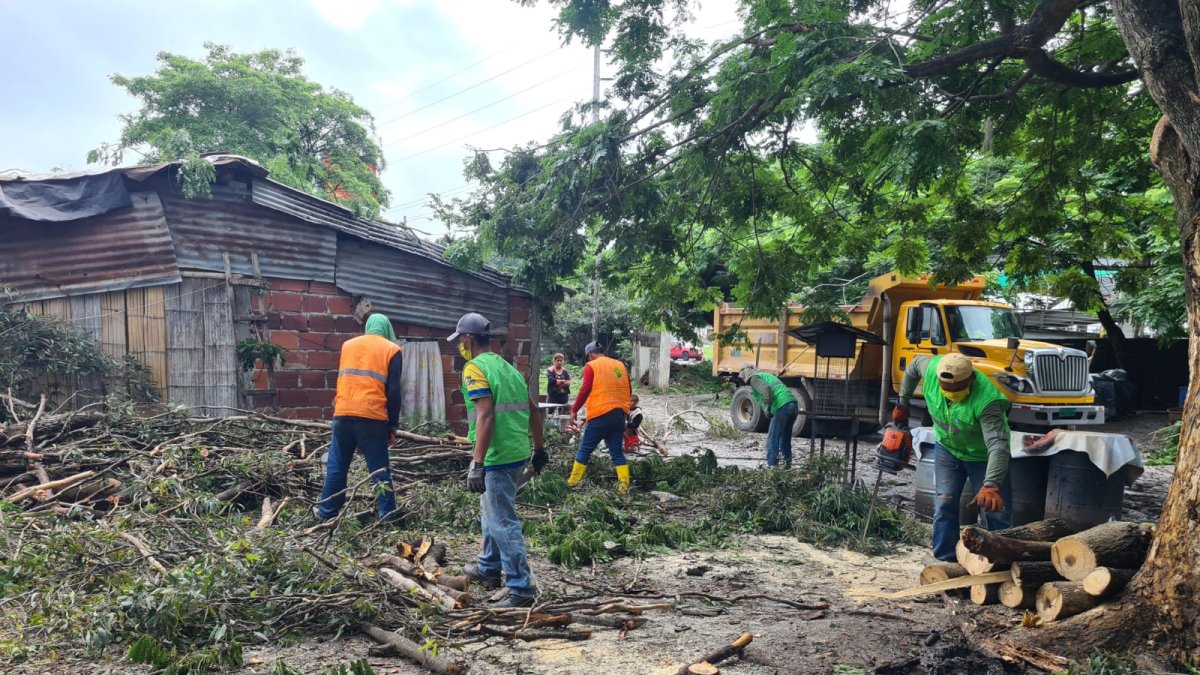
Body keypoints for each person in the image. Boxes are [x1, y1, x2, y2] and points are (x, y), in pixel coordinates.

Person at [449, 312, 548, 608]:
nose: (459, 346)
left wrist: (477, 462)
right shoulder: (508, 367)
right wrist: (539, 448)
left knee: (502, 519)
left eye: (460, 340)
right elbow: (534, 410)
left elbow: (486, 415)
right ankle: (489, 568)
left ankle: (520, 587)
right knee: (490, 510)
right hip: (517, 452)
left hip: (497, 455)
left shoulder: (474, 368)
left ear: (467, 338)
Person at [894, 352, 1013, 562]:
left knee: (996, 511)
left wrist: (991, 485)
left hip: (982, 457)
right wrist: (902, 402)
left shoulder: (988, 402)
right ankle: (944, 560)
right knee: (944, 503)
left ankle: (1001, 561)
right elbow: (912, 367)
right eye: (945, 388)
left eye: (956, 389)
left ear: (970, 379)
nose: (950, 392)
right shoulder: (932, 369)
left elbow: (998, 446)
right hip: (947, 449)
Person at [316, 313, 403, 523]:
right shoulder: (392, 349)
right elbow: (393, 392)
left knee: (337, 464)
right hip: (371, 416)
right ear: (387, 329)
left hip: (343, 413)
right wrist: (392, 426)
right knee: (379, 468)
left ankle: (327, 513)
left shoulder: (348, 345)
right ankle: (388, 516)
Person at [567, 342, 632, 492]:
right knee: (616, 452)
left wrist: (574, 410)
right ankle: (624, 487)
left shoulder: (592, 365)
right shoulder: (620, 365)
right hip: (619, 415)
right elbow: (629, 389)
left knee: (584, 449)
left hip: (600, 415)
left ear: (590, 355)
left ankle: (572, 483)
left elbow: (585, 389)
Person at [738, 366, 798, 467]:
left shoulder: (754, 378)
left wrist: (767, 406)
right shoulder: (766, 376)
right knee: (785, 439)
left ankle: (772, 467)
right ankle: (787, 465)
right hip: (792, 404)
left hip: (782, 405)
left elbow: (766, 389)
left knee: (773, 438)